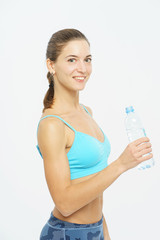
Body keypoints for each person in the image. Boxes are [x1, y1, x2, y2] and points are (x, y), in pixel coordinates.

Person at [36, 28, 153, 240]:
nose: (82, 68)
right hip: (66, 233)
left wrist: (104, 234)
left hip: (95, 229)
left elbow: (94, 192)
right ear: (51, 65)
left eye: (87, 59)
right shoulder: (52, 125)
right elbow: (65, 203)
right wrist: (121, 164)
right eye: (72, 60)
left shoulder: (86, 112)